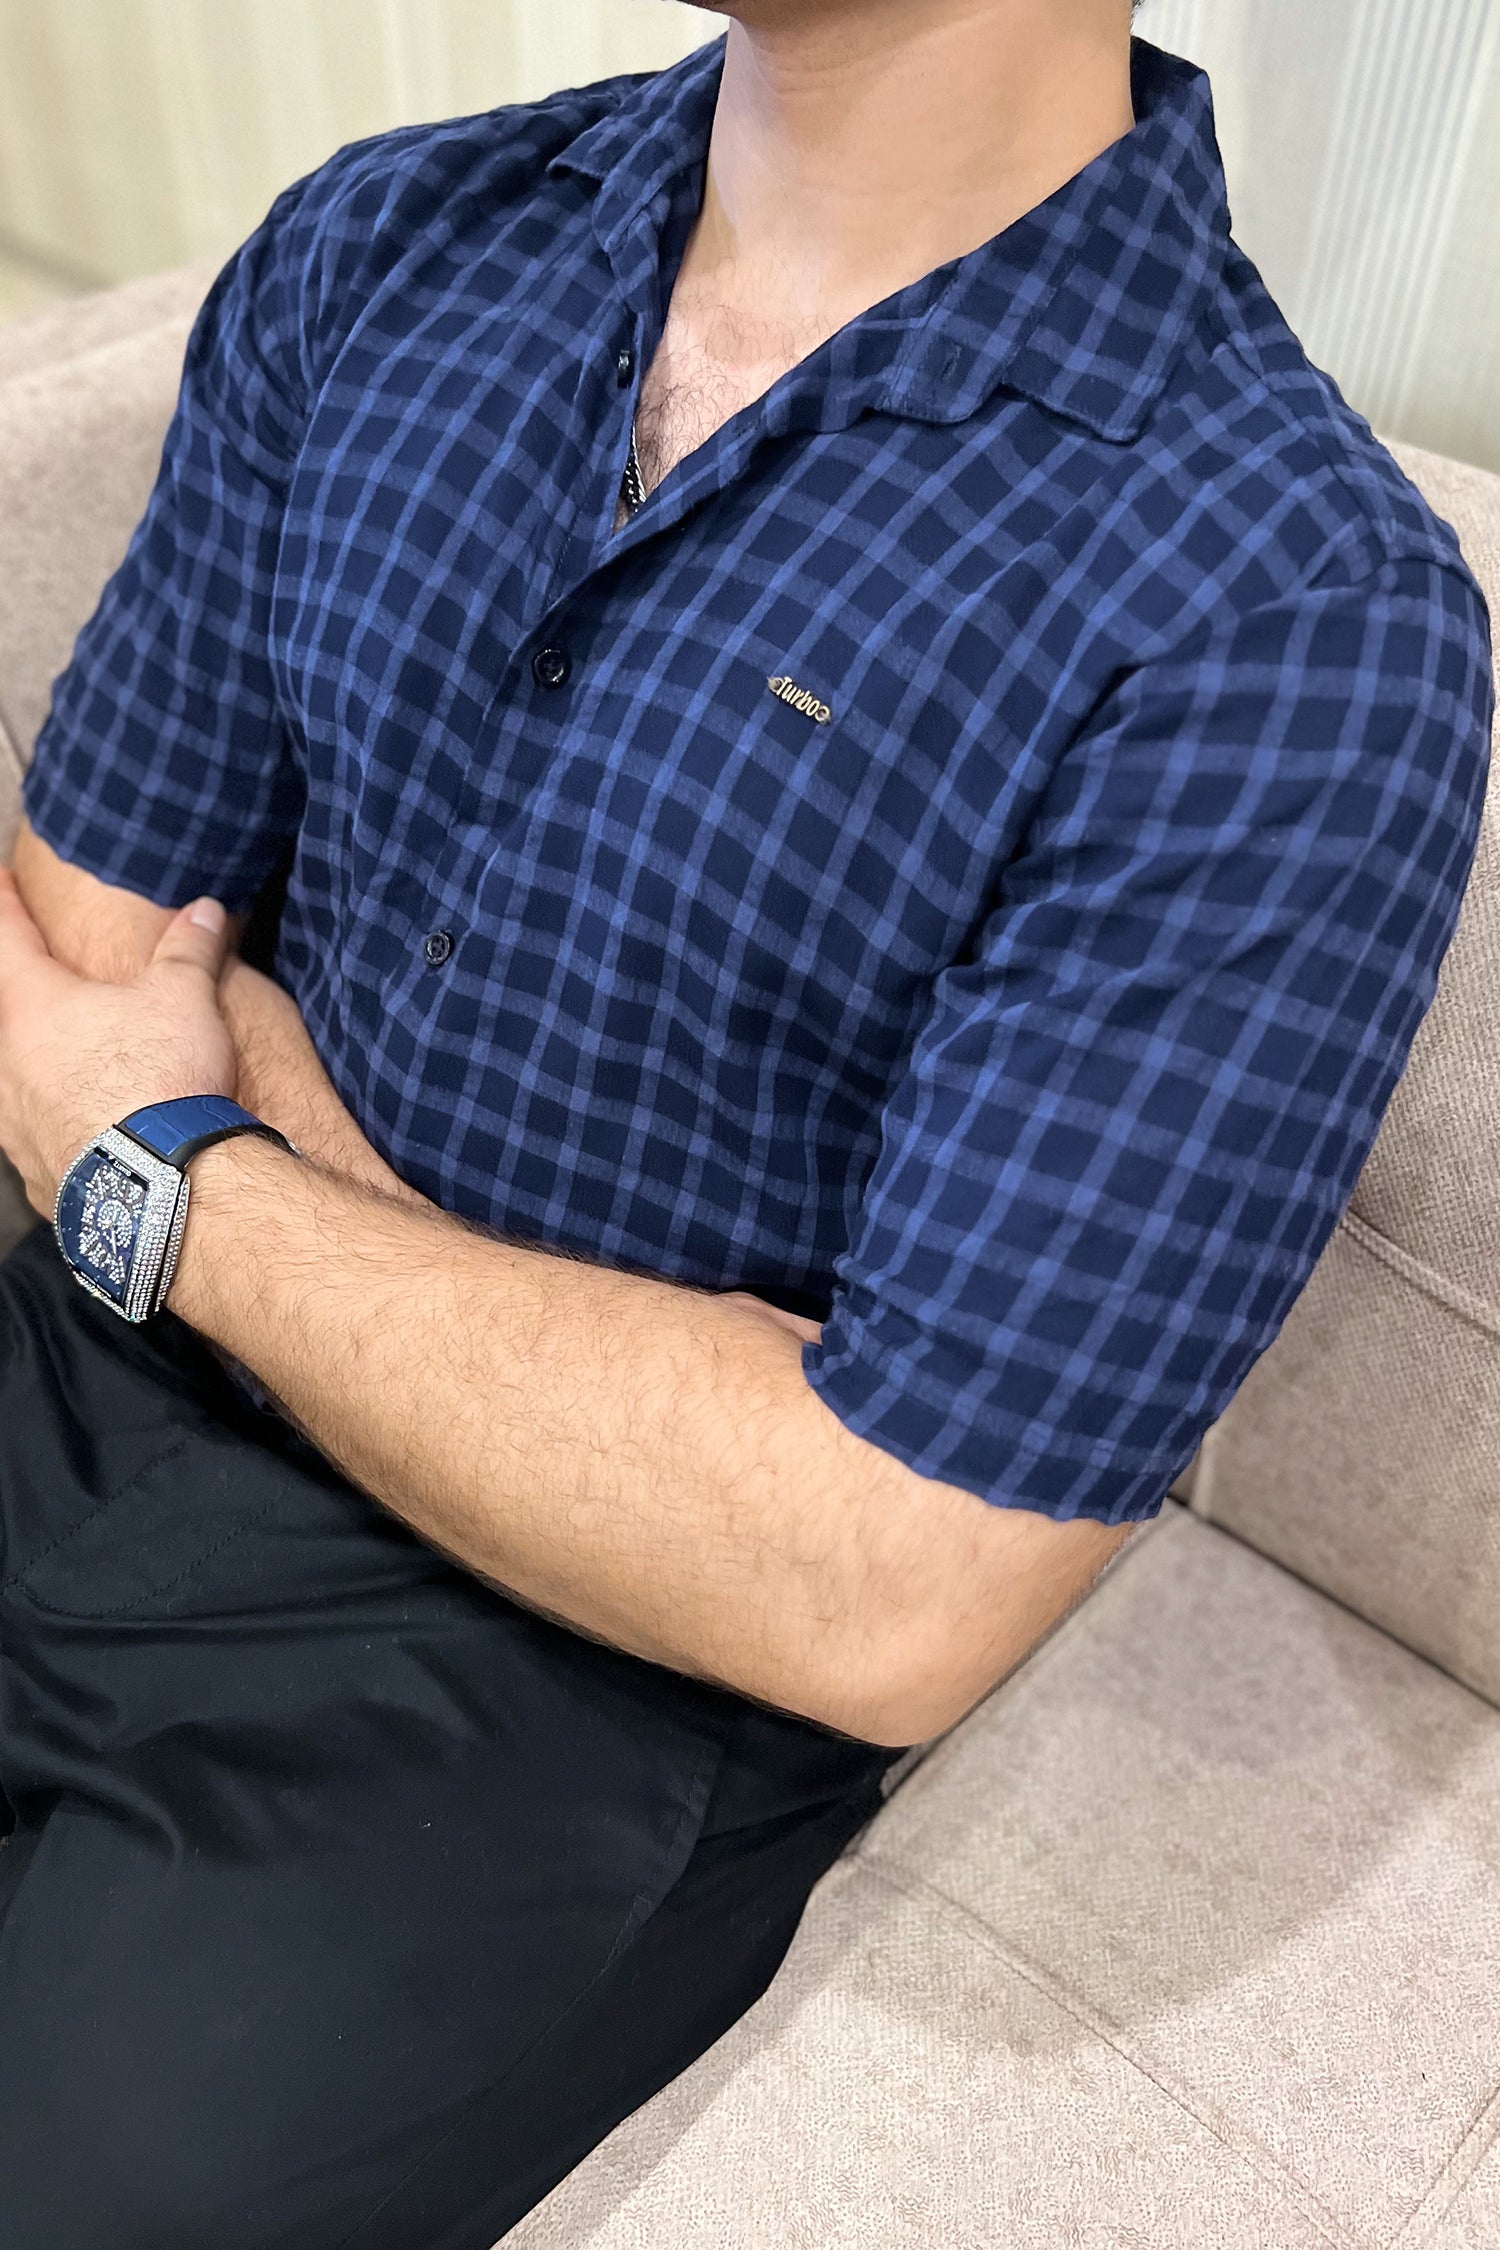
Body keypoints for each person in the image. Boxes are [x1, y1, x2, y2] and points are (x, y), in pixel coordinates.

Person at [0, 0, 1491, 2241]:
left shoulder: (1290, 620)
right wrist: (643, 1370)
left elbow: (880, 1573)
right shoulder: (389, 237)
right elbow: (87, 944)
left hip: (554, 1686)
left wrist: (192, 1161)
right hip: (96, 1360)